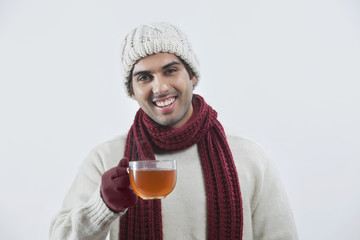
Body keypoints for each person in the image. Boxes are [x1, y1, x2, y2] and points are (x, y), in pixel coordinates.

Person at [50, 22, 298, 240]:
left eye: (170, 71)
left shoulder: (248, 158)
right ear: (132, 92)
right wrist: (102, 206)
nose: (160, 87)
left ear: (192, 76)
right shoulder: (106, 159)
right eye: (144, 77)